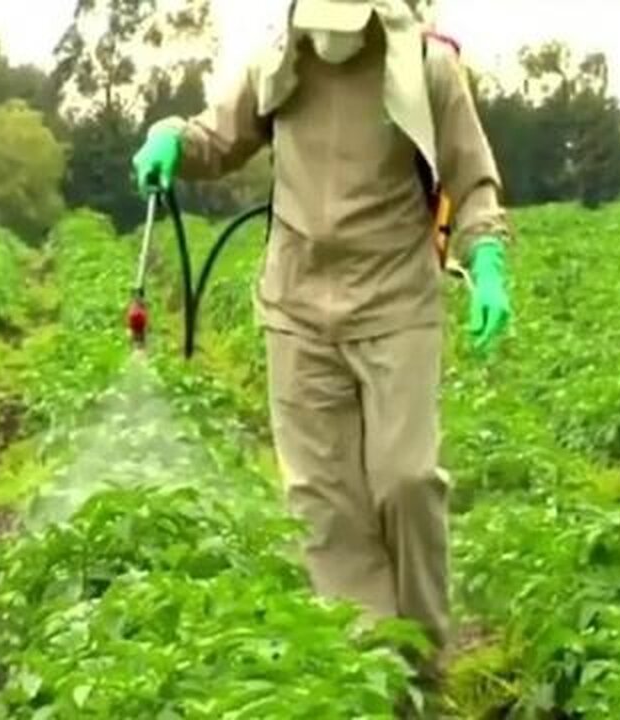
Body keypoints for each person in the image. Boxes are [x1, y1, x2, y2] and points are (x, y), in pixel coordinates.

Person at [131, 0, 511, 685]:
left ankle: (423, 659)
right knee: (324, 502)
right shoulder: (276, 61)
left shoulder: (430, 67)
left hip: (395, 299)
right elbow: (217, 140)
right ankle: (372, 673)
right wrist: (169, 141)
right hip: (297, 306)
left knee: (405, 480)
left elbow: (472, 179)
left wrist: (487, 264)